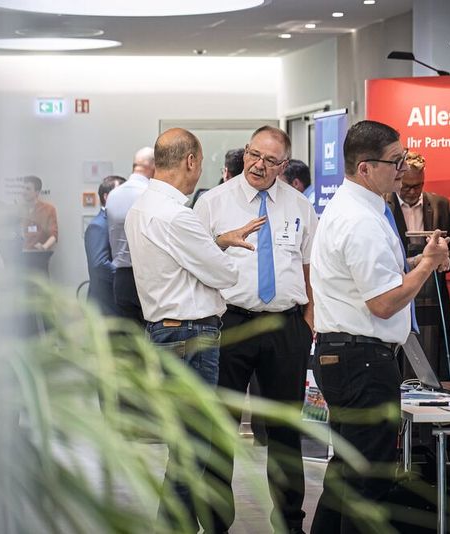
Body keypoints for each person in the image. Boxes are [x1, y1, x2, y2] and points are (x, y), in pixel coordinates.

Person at [309, 120, 449, 534]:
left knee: (349, 473)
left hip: (351, 357)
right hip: (361, 362)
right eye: (396, 161)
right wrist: (426, 265)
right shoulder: (361, 220)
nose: (403, 170)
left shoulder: (361, 209)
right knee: (367, 480)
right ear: (366, 168)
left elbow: (376, 277)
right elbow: (385, 302)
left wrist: (416, 262)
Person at [125, 128, 265, 532]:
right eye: (199, 162)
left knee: (185, 446)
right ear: (190, 161)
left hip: (167, 334)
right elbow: (221, 274)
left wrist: (215, 241)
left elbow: (186, 262)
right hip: (190, 339)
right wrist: (219, 251)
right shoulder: (178, 215)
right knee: (193, 450)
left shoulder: (144, 207)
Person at [194, 126, 318, 534]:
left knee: (284, 431)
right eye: (252, 155)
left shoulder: (300, 205)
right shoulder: (213, 203)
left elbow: (307, 266)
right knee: (221, 428)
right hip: (230, 322)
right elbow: (193, 263)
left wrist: (309, 319)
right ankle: (215, 524)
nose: (258, 165)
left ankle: (289, 522)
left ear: (284, 166)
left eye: (269, 160)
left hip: (285, 326)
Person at [387, 151, 450, 380]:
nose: (411, 192)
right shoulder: (383, 205)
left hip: (433, 296)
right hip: (398, 295)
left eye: (417, 186)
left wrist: (446, 260)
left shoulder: (440, 205)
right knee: (399, 361)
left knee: (434, 358)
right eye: (406, 186)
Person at [106, 147, 154, 323]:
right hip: (148, 277)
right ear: (153, 166)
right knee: (151, 343)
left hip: (121, 278)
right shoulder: (151, 194)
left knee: (128, 341)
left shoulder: (113, 195)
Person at [84, 175, 126, 315]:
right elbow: (99, 264)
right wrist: (126, 277)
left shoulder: (115, 221)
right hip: (105, 306)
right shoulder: (99, 225)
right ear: (107, 197)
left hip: (117, 304)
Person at [20, 175, 57, 252]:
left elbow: (53, 235)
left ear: (37, 192)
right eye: (23, 188)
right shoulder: (19, 210)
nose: (24, 192)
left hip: (39, 256)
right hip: (21, 256)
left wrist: (44, 247)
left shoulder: (48, 209)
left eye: (28, 189)